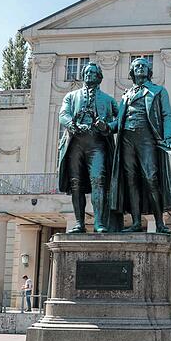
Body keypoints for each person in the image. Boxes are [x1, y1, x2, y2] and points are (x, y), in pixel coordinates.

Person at [109, 57, 171, 234]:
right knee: (131, 180)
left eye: (144, 66)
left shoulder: (158, 91)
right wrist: (106, 127)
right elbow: (117, 122)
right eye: (136, 66)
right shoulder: (126, 94)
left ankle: (160, 223)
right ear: (131, 72)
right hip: (126, 139)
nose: (140, 68)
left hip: (147, 138)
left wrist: (168, 137)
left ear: (149, 71)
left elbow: (166, 115)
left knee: (151, 178)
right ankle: (136, 222)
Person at [58, 61, 119, 233]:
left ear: (99, 77)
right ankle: (79, 223)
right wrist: (71, 124)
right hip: (75, 143)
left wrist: (107, 126)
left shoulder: (108, 100)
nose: (89, 75)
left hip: (97, 144)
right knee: (76, 183)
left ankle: (99, 223)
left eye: (93, 73)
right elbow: (63, 114)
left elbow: (120, 120)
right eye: (87, 72)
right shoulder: (71, 97)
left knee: (98, 182)